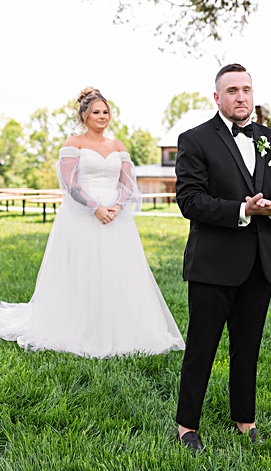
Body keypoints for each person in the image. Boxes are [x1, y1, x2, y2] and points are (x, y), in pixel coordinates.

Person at [0, 87, 185, 358]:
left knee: (117, 270)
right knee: (83, 268)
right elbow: (70, 183)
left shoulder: (118, 146)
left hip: (116, 218)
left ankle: (120, 324)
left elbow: (127, 182)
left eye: (105, 111)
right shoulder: (73, 144)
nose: (102, 116)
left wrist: (117, 207)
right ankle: (81, 324)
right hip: (81, 216)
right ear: (84, 115)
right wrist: (95, 208)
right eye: (96, 112)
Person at [173, 63, 271, 454]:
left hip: (260, 263)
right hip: (213, 265)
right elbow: (189, 200)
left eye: (246, 89)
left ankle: (245, 419)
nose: (241, 96)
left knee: (248, 346)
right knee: (202, 346)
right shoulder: (195, 140)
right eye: (231, 91)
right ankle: (186, 425)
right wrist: (241, 210)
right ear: (217, 97)